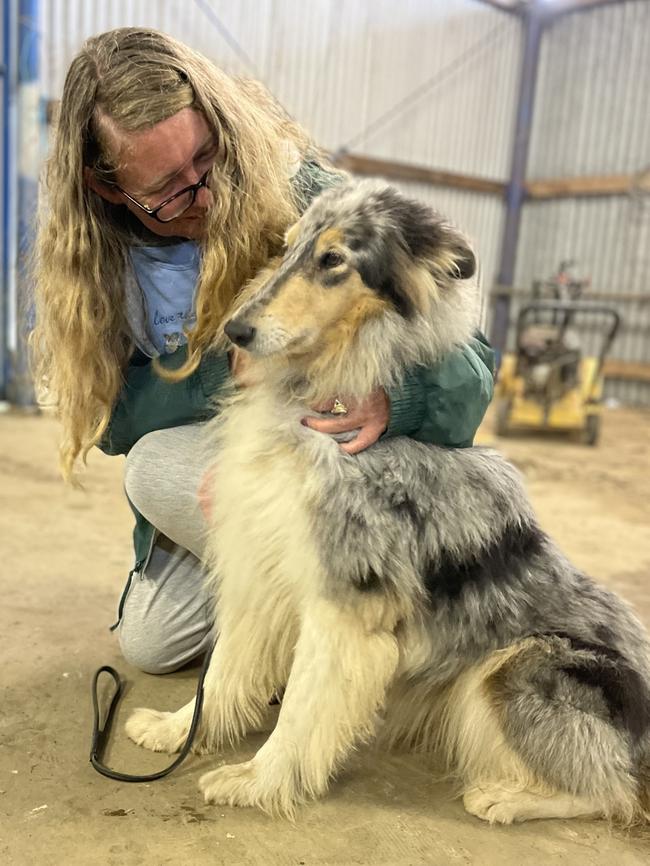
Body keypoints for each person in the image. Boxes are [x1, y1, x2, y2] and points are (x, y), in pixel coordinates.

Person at [32, 28, 495, 675]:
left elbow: (472, 373)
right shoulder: (100, 268)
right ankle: (321, 615)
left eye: (208, 158)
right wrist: (219, 375)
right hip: (224, 464)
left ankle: (352, 626)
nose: (207, 192)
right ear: (109, 189)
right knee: (153, 637)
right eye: (169, 190)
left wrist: (398, 399)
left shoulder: (309, 198)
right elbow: (110, 420)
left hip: (338, 463)